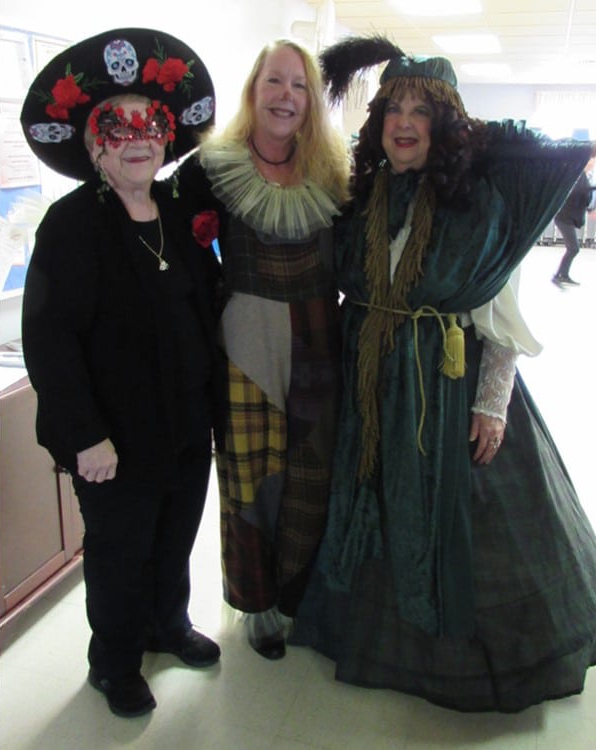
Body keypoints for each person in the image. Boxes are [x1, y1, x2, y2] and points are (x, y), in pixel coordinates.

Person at [290, 36, 596, 712]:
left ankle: (461, 651)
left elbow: (501, 314)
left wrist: (492, 406)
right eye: (393, 107)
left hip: (448, 389)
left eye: (423, 111)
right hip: (371, 388)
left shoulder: (479, 204)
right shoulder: (362, 198)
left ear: (447, 124)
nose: (403, 121)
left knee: (462, 521)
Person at [20, 28, 224, 718]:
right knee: (118, 551)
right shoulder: (70, 225)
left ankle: (168, 625)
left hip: (187, 424)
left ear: (167, 136)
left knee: (175, 535)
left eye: (151, 124)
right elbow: (48, 339)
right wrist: (85, 435)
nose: (137, 138)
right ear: (93, 144)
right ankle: (114, 660)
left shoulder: (174, 211)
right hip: (113, 438)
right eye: (118, 126)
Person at [174, 39, 351, 659]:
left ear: (311, 102)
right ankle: (256, 604)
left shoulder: (333, 172)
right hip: (244, 343)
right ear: (254, 89)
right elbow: (177, 257)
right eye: (275, 82)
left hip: (318, 343)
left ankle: (299, 594)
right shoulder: (210, 168)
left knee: (310, 475)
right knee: (248, 479)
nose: (286, 97)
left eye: (299, 86)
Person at [552, 158, 595, 286]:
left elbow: (583, 197)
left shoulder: (584, 176)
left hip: (568, 217)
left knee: (573, 248)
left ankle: (561, 275)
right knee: (573, 248)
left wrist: (590, 209)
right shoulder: (577, 175)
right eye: (591, 161)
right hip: (564, 218)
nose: (593, 164)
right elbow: (579, 192)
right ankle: (560, 275)